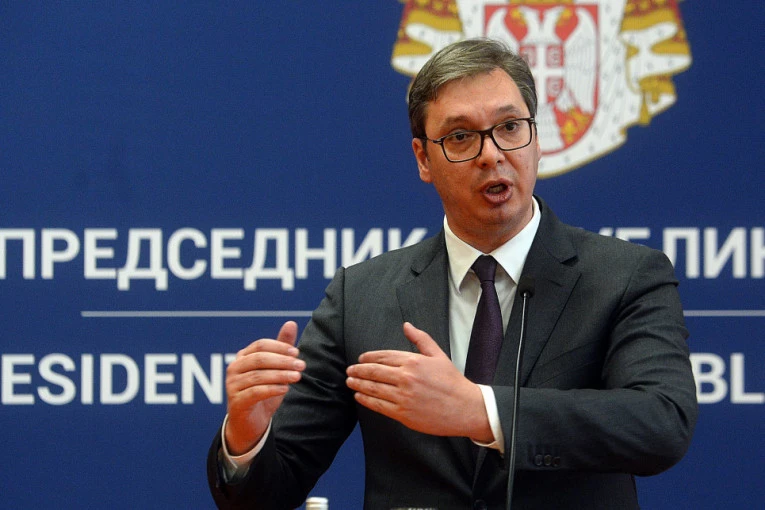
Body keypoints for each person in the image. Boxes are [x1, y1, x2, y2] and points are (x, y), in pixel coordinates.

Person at [207, 38, 698, 510]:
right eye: (461, 136)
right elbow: (264, 493)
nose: (491, 154)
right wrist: (247, 434)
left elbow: (661, 422)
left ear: (537, 139)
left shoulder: (625, 276)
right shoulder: (363, 296)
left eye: (510, 127)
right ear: (423, 158)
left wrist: (480, 410)